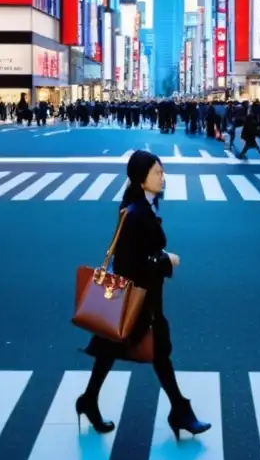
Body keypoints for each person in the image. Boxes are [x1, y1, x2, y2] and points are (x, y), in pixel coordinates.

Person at [78, 150, 211, 441]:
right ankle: (180, 411)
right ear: (140, 179)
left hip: (141, 297)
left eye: (162, 171)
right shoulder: (137, 212)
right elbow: (128, 263)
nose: (162, 177)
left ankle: (89, 400)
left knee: (112, 348)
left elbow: (137, 253)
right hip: (140, 299)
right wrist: (166, 261)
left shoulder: (143, 206)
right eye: (156, 173)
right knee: (158, 353)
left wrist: (158, 257)